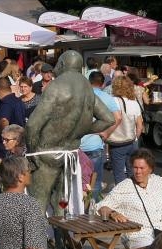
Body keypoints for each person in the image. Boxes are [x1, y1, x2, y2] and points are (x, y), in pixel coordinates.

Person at [25, 50, 114, 215]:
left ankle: (37, 240)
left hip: (48, 151)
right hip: (70, 154)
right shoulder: (87, 87)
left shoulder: (57, 85)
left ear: (62, 65)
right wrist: (81, 130)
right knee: (62, 203)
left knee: (38, 202)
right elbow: (109, 119)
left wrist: (31, 152)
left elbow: (32, 125)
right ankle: (62, 239)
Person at [80, 70, 121, 196]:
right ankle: (92, 211)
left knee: (78, 182)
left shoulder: (80, 97)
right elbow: (118, 118)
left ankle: (80, 210)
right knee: (95, 181)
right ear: (103, 84)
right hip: (95, 144)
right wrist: (106, 133)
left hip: (77, 145)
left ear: (88, 82)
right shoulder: (107, 98)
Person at [105, 75, 144, 186]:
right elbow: (139, 126)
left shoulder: (113, 101)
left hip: (117, 143)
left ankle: (123, 199)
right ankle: (135, 195)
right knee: (133, 173)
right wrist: (135, 138)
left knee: (119, 175)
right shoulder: (134, 102)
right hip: (132, 142)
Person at [0, 77, 27, 157]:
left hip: (4, 151)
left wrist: (5, 138)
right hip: (15, 146)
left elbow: (4, 120)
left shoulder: (6, 103)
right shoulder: (18, 101)